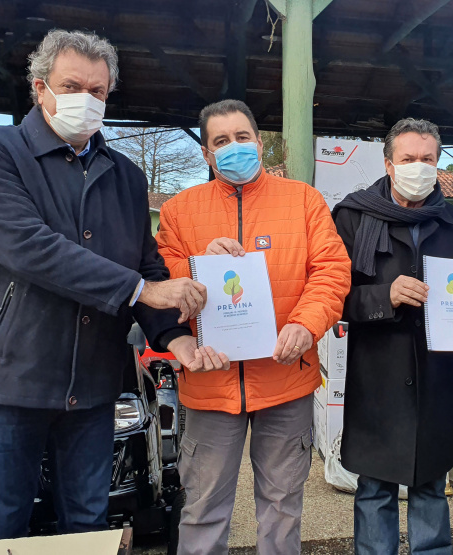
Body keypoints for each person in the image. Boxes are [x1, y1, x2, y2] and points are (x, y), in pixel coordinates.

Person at [0, 29, 211, 541]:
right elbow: (30, 248)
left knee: (89, 528)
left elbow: (148, 264)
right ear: (40, 88)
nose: (85, 100)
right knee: (3, 526)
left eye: (97, 92)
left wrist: (174, 335)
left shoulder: (126, 176)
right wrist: (142, 290)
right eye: (72, 85)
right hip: (10, 379)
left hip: (93, 387)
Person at [156, 99, 351, 555]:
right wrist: (198, 261)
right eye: (221, 141)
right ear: (207, 154)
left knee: (283, 508)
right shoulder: (180, 210)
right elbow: (161, 277)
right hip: (209, 381)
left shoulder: (303, 199)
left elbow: (331, 270)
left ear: (259, 143)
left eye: (242, 137)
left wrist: (306, 324)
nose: (234, 147)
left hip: (286, 377)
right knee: (202, 507)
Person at [331, 118, 453, 555]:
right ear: (389, 163)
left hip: (436, 375)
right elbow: (333, 297)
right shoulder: (352, 215)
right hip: (377, 374)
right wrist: (384, 296)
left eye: (427, 159)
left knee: (431, 484)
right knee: (374, 488)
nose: (419, 167)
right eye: (408, 159)